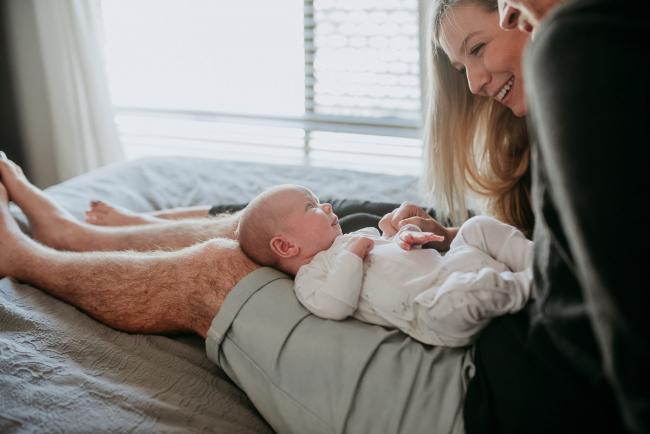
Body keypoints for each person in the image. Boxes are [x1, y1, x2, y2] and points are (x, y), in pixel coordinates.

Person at [237, 184, 533, 347]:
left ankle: (538, 260)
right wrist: (352, 256)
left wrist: (404, 237)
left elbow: (392, 250)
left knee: (478, 226)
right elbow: (334, 305)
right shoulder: (312, 276)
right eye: (311, 206)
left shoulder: (356, 237)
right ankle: (536, 283)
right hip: (432, 307)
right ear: (286, 246)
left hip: (449, 265)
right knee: (467, 294)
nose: (327, 206)